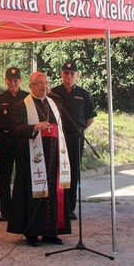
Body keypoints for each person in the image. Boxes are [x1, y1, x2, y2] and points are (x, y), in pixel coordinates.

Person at [7, 71, 72, 247]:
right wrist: (34, 127)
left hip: (53, 158)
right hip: (32, 159)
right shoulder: (22, 106)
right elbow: (17, 129)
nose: (44, 86)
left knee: (53, 194)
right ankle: (33, 233)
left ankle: (52, 233)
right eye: (40, 83)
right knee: (35, 196)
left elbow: (60, 128)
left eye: (46, 83)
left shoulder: (54, 103)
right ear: (31, 86)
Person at [50, 61, 97, 220]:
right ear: (61, 73)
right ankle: (56, 205)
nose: (69, 76)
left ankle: (69, 208)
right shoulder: (53, 93)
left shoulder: (84, 94)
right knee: (57, 171)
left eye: (72, 73)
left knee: (73, 172)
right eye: (66, 73)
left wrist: (80, 129)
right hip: (57, 138)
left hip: (75, 138)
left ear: (77, 75)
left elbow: (90, 118)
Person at [0, 67, 29, 222]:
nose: (13, 82)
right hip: (5, 140)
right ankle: (5, 211)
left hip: (22, 140)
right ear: (5, 80)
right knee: (4, 177)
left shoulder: (27, 97)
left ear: (21, 80)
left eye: (16, 79)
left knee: (22, 176)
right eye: (10, 80)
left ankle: (21, 209)